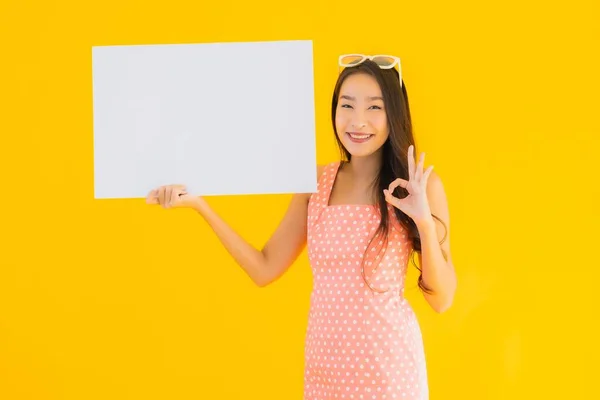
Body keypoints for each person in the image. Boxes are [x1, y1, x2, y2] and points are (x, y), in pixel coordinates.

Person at [146, 54, 457, 400]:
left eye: (374, 108)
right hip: (325, 371)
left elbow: (442, 299)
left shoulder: (419, 187)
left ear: (394, 114)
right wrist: (199, 204)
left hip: (390, 374)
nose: (357, 121)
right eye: (347, 105)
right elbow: (264, 268)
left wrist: (424, 223)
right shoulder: (315, 182)